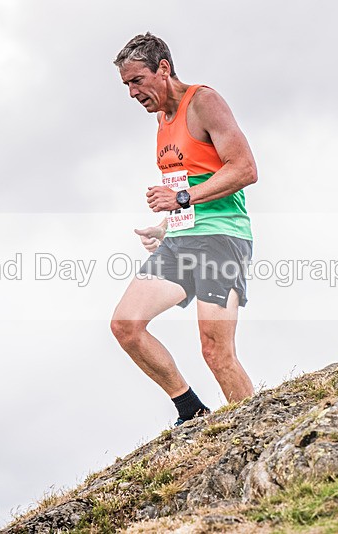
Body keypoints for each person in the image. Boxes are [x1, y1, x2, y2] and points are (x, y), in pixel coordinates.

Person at [110, 32, 258, 426]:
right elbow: (187, 184)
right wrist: (165, 224)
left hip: (221, 238)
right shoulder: (162, 120)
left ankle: (255, 431)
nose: (131, 93)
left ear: (163, 69)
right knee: (126, 325)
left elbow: (244, 169)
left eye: (137, 81)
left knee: (216, 351)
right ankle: (190, 410)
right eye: (126, 85)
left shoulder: (204, 101)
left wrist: (181, 200)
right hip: (180, 239)